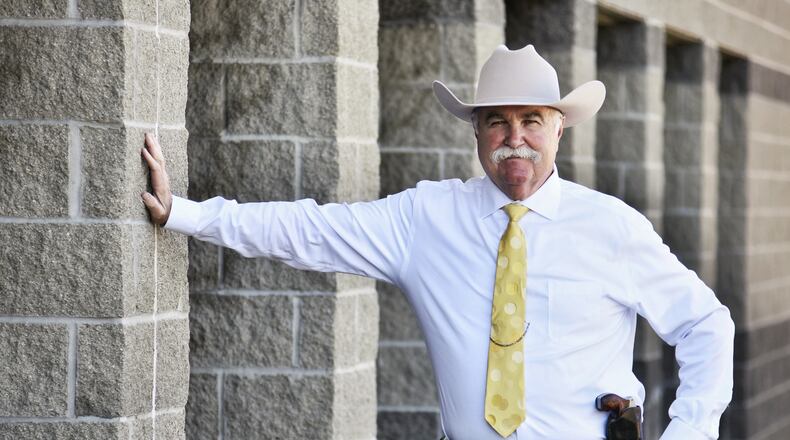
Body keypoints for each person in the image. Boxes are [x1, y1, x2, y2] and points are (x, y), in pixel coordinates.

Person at [141, 45, 734, 440]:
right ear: (475, 130)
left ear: (559, 128)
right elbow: (312, 231)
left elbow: (705, 325)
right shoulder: (426, 218)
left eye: (532, 120)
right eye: (497, 121)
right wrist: (186, 214)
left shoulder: (612, 227)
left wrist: (686, 432)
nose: (515, 139)